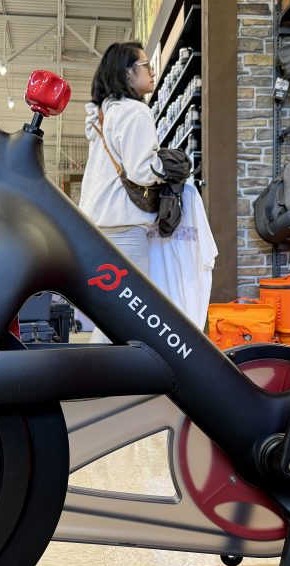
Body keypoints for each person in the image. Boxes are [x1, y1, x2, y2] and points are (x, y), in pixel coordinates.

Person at [81, 42, 163, 343]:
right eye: (145, 64)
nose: (152, 71)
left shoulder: (104, 113)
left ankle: (97, 371)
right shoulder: (136, 112)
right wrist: (168, 166)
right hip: (125, 224)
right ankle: (102, 373)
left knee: (113, 307)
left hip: (96, 221)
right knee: (131, 307)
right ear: (128, 73)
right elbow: (142, 171)